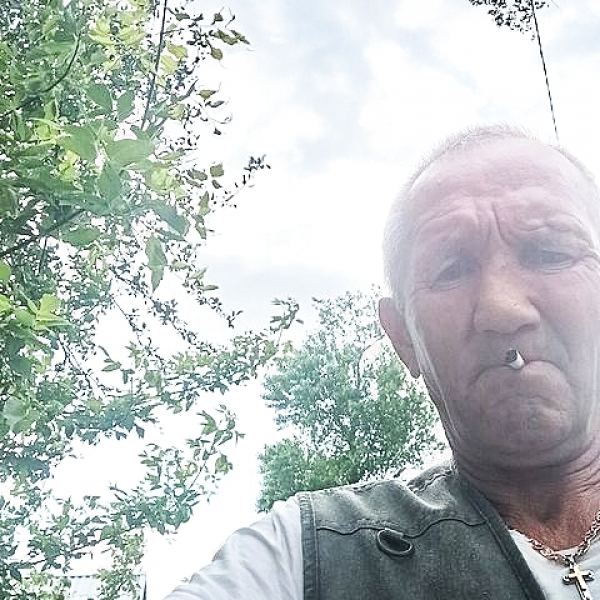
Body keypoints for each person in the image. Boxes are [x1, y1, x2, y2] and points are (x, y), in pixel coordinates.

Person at [166, 125, 600, 600]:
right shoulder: (307, 556)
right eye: (451, 270)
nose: (502, 309)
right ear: (403, 337)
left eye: (549, 252)